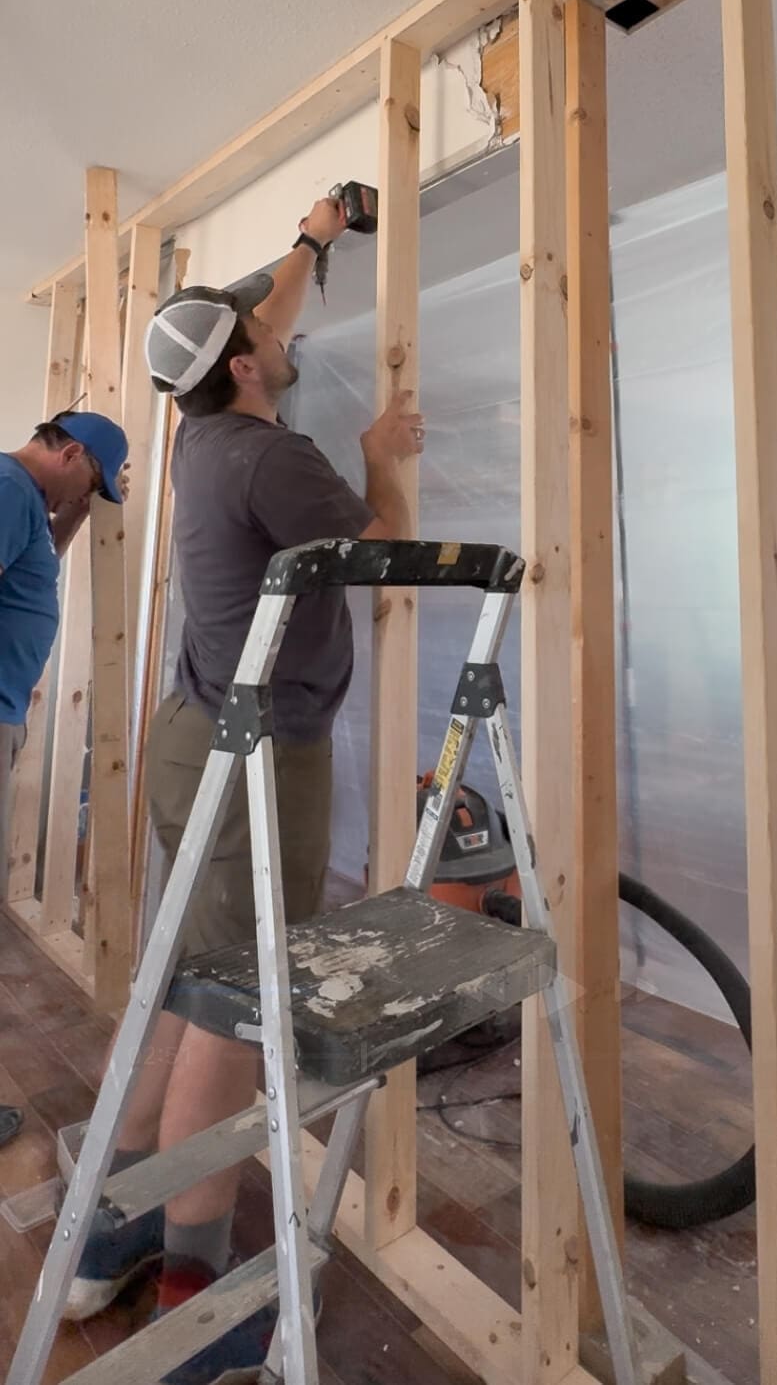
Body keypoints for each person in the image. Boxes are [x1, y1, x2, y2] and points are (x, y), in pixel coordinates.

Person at [68, 196, 423, 1384]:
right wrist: (382, 462)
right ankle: (196, 1289)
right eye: (256, 332)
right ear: (239, 367)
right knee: (234, 1012)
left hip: (195, 739)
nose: (277, 333)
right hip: (260, 758)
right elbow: (384, 557)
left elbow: (252, 324)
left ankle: (110, 1225)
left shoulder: (201, 434)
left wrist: (316, 239)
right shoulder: (276, 456)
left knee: (187, 979)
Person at [0, 411, 129, 1152]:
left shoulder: (23, 502)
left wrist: (73, 520)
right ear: (71, 452)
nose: (89, 491)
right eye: (90, 480)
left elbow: (27, 568)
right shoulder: (10, 488)